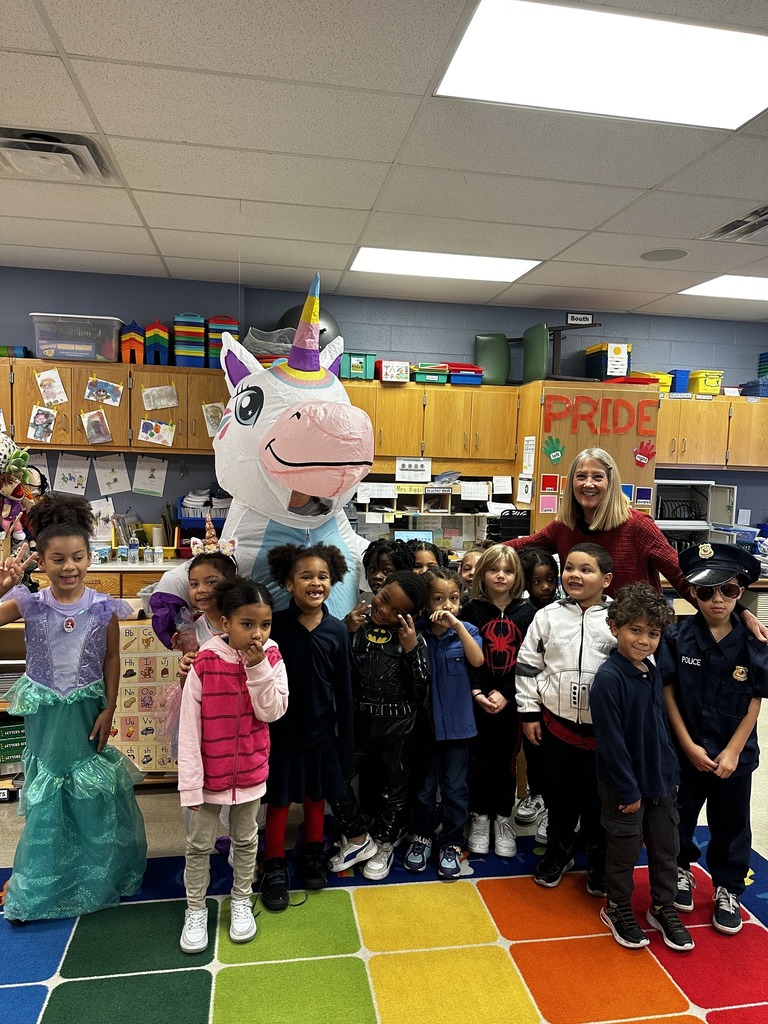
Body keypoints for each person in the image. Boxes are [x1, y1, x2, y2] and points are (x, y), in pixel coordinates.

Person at [0, 494, 147, 923]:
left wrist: (111, 708)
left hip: (88, 710)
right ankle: (44, 878)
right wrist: (5, 585)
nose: (69, 567)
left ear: (90, 557)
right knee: (50, 788)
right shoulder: (30, 604)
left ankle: (95, 873)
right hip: (47, 716)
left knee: (91, 789)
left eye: (78, 557)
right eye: (58, 559)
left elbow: (111, 659)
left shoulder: (104, 608)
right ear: (41, 562)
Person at [505, 446, 768, 642]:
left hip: (639, 636)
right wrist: (483, 556)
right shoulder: (565, 526)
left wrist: (737, 612)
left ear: (610, 482)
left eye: (597, 477)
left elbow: (680, 576)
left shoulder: (637, 525)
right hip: (587, 633)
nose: (588, 484)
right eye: (581, 476)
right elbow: (523, 546)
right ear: (571, 482)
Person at [658, 543, 768, 936]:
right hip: (685, 753)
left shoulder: (755, 640)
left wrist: (734, 751)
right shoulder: (676, 637)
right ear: (692, 593)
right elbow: (668, 692)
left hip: (734, 756)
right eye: (706, 592)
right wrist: (687, 745)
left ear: (741, 590)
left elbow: (756, 697)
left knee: (732, 823)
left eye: (728, 590)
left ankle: (727, 887)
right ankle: (681, 871)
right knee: (679, 817)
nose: (717, 600)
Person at [177, 578, 288, 953]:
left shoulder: (272, 656)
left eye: (265, 624)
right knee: (198, 845)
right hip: (209, 775)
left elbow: (273, 711)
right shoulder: (205, 661)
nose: (258, 633)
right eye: (247, 624)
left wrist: (258, 669)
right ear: (225, 623)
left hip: (252, 772)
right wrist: (190, 784)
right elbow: (189, 730)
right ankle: (195, 908)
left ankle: (241, 899)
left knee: (245, 840)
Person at [591, 583, 693, 952]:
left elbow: (660, 727)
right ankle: (617, 906)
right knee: (624, 851)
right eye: (635, 630)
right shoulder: (608, 680)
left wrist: (671, 773)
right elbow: (612, 744)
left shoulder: (651, 670)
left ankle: (663, 906)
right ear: (614, 625)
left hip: (662, 782)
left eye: (653, 633)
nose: (645, 641)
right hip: (626, 788)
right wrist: (629, 790)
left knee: (667, 849)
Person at [259, 542, 355, 911]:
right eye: (306, 576)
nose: (315, 583)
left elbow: (344, 690)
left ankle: (313, 852)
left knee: (317, 796)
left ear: (333, 581)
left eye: (322, 576)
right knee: (279, 799)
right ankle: (274, 863)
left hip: (321, 733)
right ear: (288, 583)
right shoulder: (275, 627)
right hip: (281, 732)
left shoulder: (336, 630)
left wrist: (346, 743)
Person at [516, 542, 616, 893]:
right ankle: (559, 850)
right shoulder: (548, 616)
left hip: (605, 730)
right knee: (559, 797)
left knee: (597, 799)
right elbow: (528, 665)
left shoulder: (619, 618)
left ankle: (597, 854)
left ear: (606, 580)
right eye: (570, 568)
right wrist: (528, 712)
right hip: (556, 725)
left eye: (585, 569)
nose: (574, 575)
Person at [328, 570, 430, 882]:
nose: (383, 610)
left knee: (394, 791)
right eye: (383, 598)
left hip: (398, 728)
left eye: (397, 610)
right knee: (334, 779)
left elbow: (422, 689)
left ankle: (385, 842)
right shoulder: (355, 627)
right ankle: (359, 837)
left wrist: (412, 650)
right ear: (378, 586)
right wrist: (345, 631)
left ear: (410, 615)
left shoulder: (412, 638)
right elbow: (335, 672)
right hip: (359, 723)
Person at [405, 568, 483, 879]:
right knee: (424, 790)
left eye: (453, 598)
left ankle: (452, 841)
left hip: (459, 728)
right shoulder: (417, 631)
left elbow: (477, 660)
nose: (446, 605)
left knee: (455, 789)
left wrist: (458, 627)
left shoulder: (469, 630)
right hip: (425, 729)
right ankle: (421, 836)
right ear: (426, 602)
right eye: (438, 598)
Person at [462, 544, 534, 859]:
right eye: (494, 570)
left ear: (517, 575)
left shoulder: (528, 612)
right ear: (482, 574)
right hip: (477, 701)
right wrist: (478, 692)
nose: (500, 576)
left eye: (507, 571)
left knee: (506, 761)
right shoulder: (470, 610)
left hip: (512, 701)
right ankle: (479, 816)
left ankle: (503, 818)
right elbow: (465, 658)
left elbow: (529, 659)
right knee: (478, 760)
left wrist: (506, 692)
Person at [514, 547, 560, 843]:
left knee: (555, 754)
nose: (545, 587)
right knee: (533, 750)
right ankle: (536, 794)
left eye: (550, 580)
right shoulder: (521, 612)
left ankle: (554, 805)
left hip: (556, 695)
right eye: (536, 581)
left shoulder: (562, 610)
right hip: (529, 693)